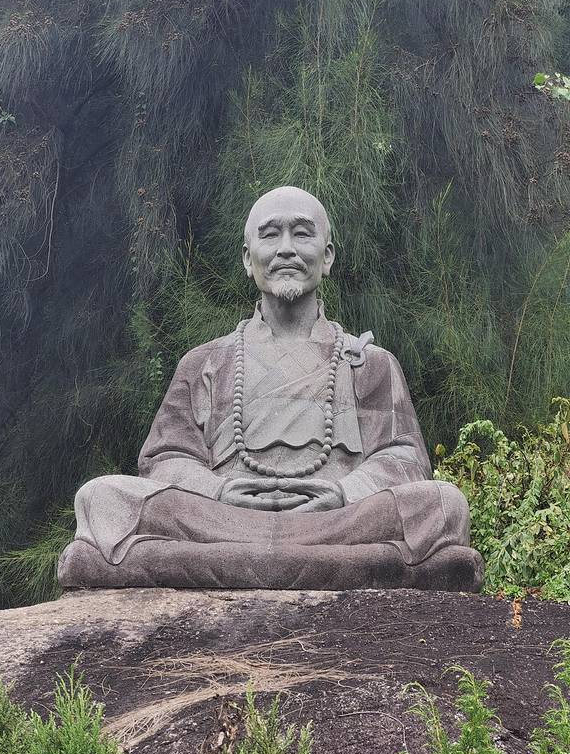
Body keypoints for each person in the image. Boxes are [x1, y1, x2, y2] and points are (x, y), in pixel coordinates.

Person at [58, 187, 484, 591]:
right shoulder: (204, 362)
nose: (286, 249)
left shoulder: (370, 363)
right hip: (225, 520)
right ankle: (357, 564)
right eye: (270, 235)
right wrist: (218, 490)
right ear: (248, 258)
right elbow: (164, 461)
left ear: (327, 256)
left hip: (333, 520)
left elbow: (404, 459)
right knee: (101, 498)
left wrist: (343, 492)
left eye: (302, 234)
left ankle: (207, 564)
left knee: (442, 505)